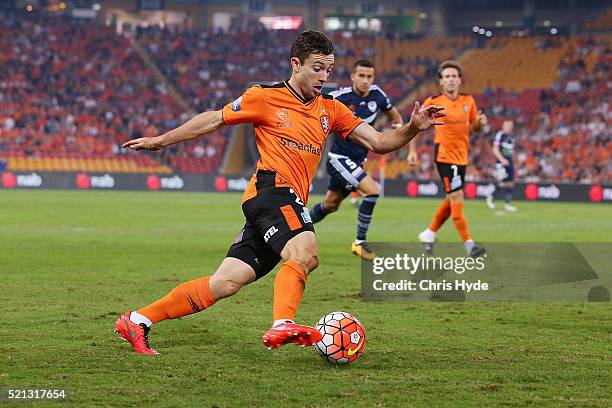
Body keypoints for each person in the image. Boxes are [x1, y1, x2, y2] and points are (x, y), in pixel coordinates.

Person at [114, 31, 445, 355]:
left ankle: (138, 320)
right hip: (272, 191)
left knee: (226, 282)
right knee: (305, 254)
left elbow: (379, 142)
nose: (323, 76)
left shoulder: (332, 109)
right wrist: (160, 140)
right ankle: (283, 322)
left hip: (282, 201)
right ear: (295, 64)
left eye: (328, 69)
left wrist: (413, 127)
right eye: (317, 67)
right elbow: (215, 119)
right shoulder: (264, 97)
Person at [309, 59, 417, 260]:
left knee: (331, 205)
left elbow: (396, 118)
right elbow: (313, 107)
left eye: (369, 77)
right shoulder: (340, 97)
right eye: (361, 76)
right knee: (373, 191)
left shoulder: (378, 95)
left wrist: (398, 130)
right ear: (353, 77)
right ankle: (359, 243)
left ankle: (295, 225)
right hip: (339, 158)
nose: (365, 81)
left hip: (358, 161)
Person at [417, 60, 487, 257]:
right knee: (457, 199)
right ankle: (469, 246)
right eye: (447, 76)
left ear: (460, 80)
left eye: (454, 76)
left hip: (462, 157)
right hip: (445, 157)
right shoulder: (433, 102)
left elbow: (475, 127)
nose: (450, 80)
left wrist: (480, 123)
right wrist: (413, 151)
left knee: (451, 199)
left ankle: (429, 234)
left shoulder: (468, 101)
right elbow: (415, 124)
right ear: (441, 81)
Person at [486, 120, 517, 212]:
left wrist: (512, 160)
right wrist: (502, 159)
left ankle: (507, 204)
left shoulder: (512, 137)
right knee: (502, 182)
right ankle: (491, 197)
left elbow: (511, 150)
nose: (509, 127)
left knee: (510, 183)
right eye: (507, 125)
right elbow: (495, 149)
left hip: (510, 161)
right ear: (504, 126)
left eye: (510, 125)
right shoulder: (500, 135)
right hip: (501, 162)